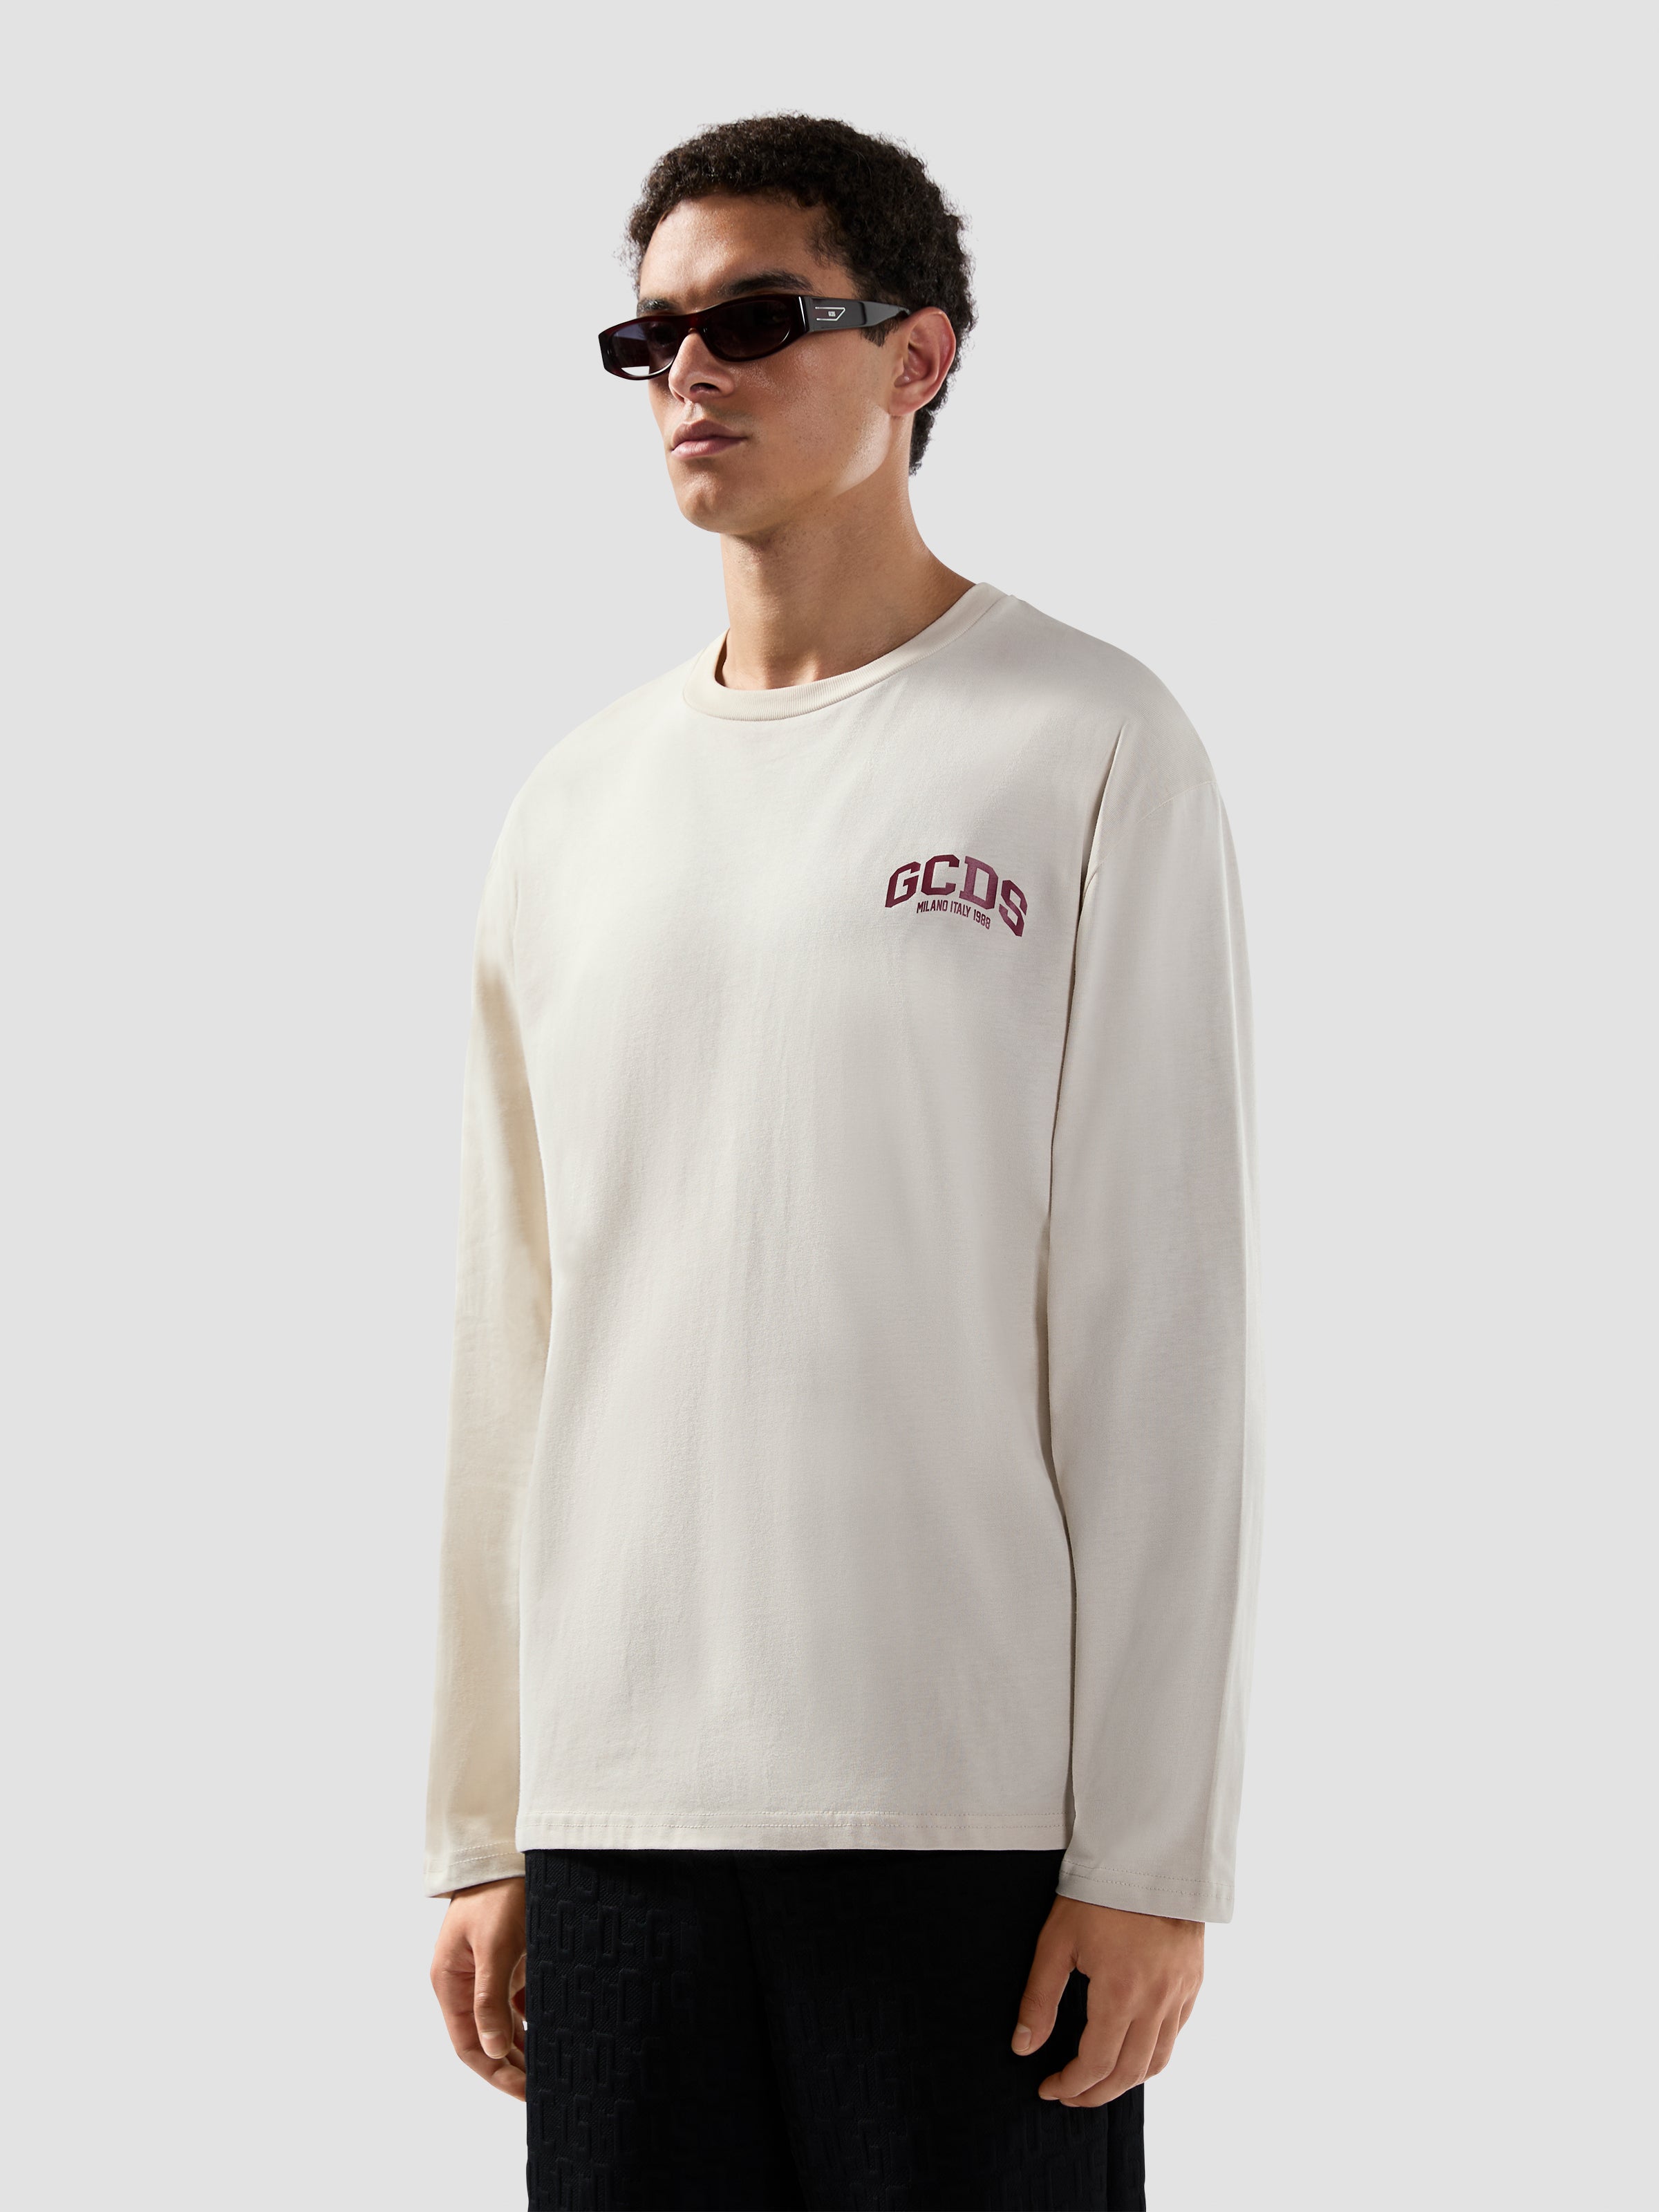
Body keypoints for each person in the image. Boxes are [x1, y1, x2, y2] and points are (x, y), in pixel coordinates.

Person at [424, 112, 1264, 2212]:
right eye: (654, 336)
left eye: (755, 318)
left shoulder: (1087, 743)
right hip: (617, 1827)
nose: (689, 372)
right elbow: (511, 1341)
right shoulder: (571, 807)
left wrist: (1153, 1851)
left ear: (920, 356)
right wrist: (484, 1821)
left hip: (962, 1822)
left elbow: (1160, 1331)